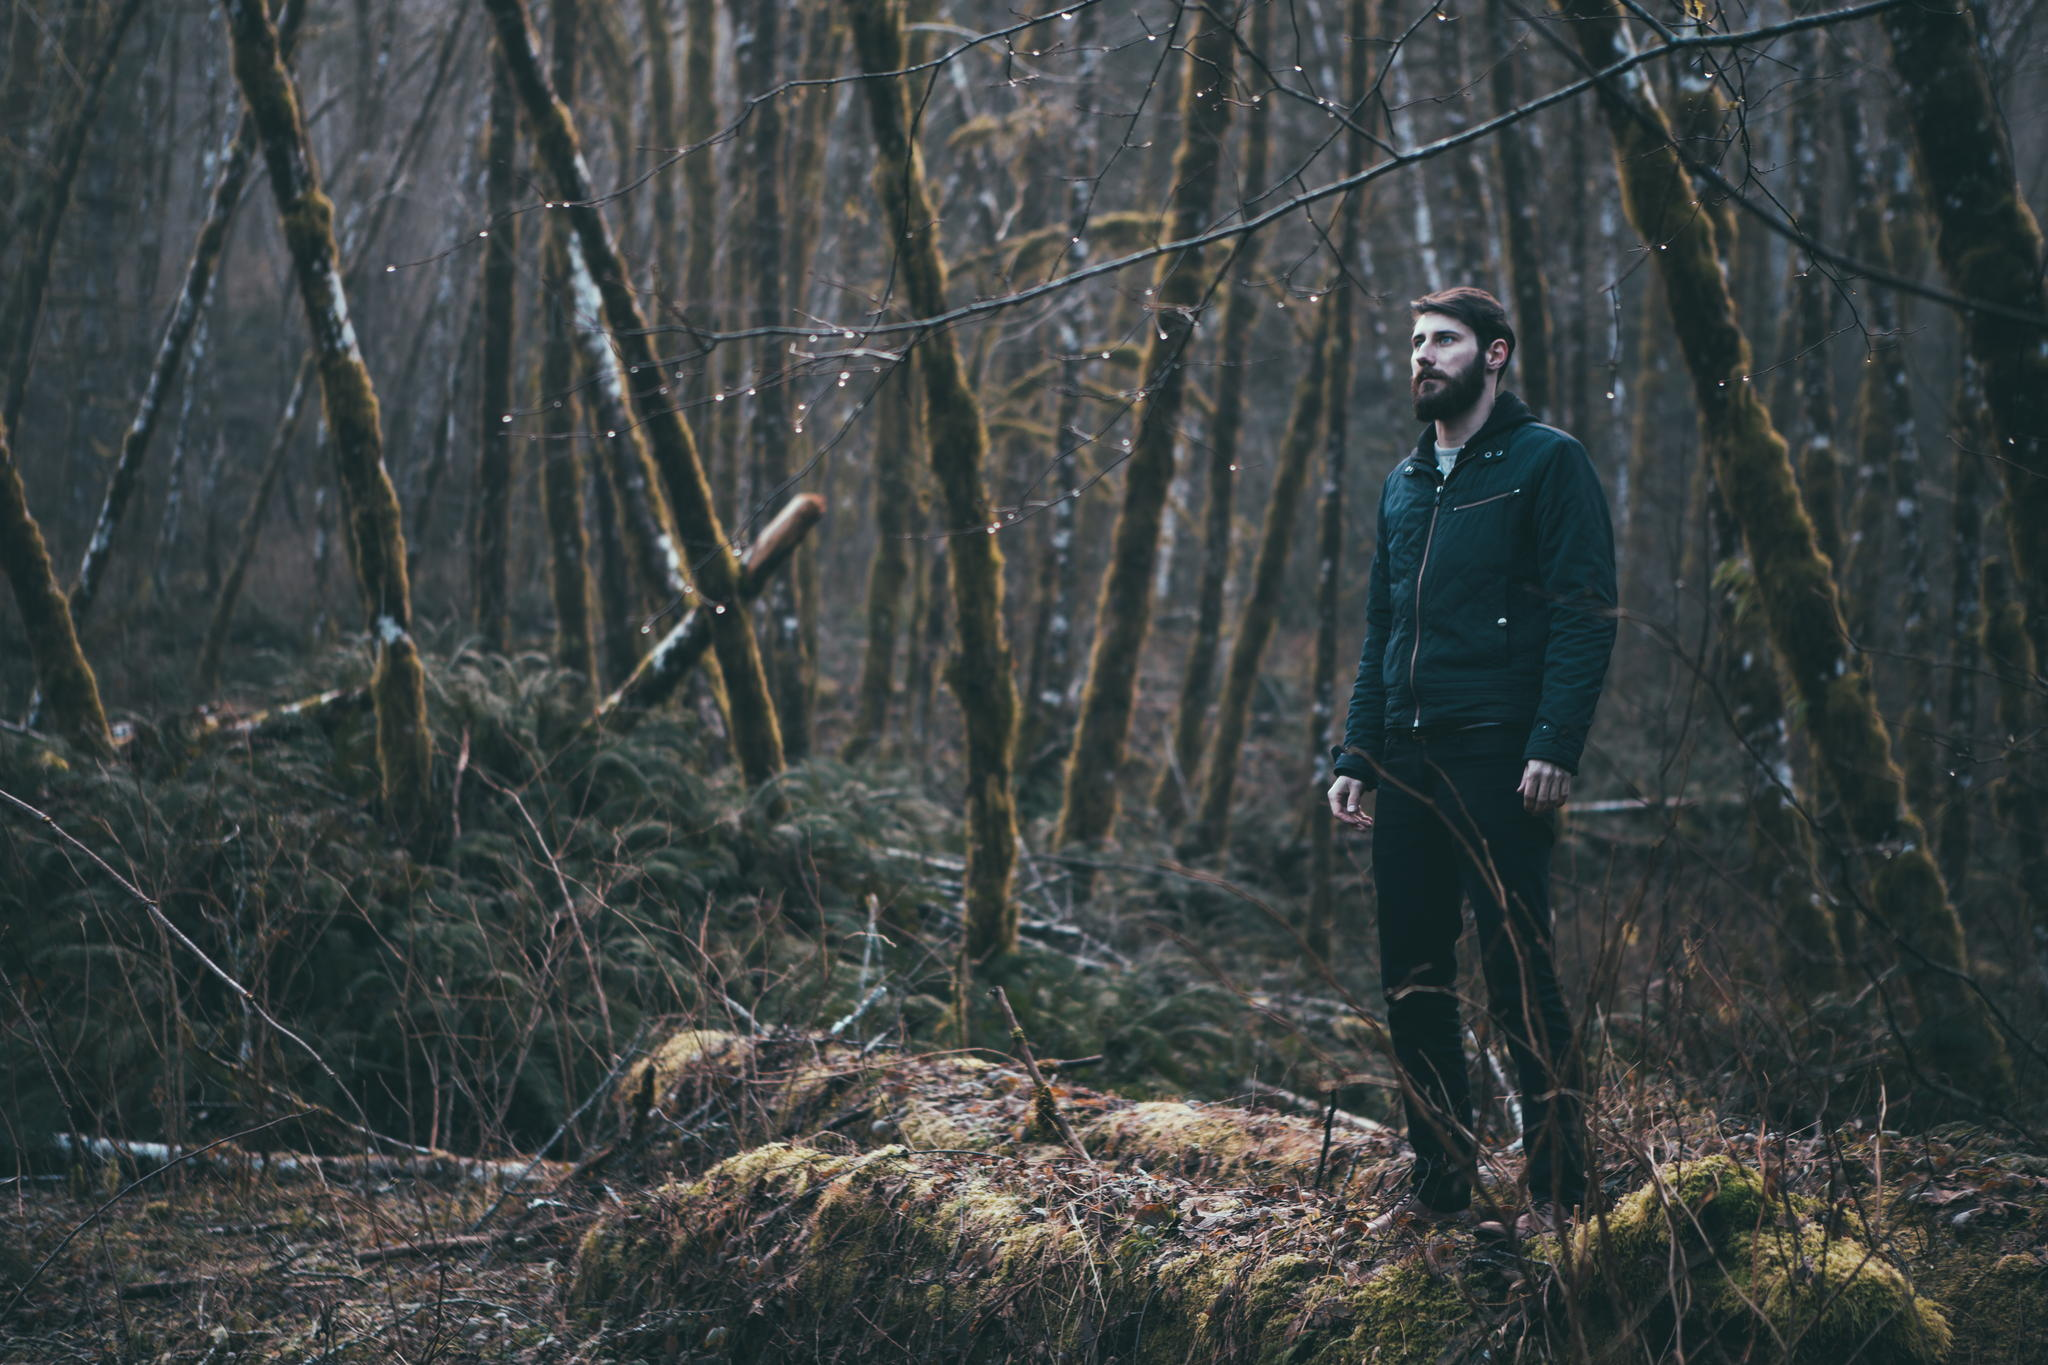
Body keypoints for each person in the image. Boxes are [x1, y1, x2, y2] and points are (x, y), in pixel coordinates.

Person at [1327, 286, 1616, 1239]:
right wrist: (1357, 750)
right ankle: (1442, 1185)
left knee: (1521, 973)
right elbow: (1384, 629)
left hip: (1502, 756)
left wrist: (1553, 743)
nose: (1423, 356)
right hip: (1406, 759)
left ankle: (1562, 1194)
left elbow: (1583, 612)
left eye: (1443, 340)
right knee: (1412, 979)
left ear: (1494, 354)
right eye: (1415, 341)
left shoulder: (1548, 463)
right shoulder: (1404, 482)